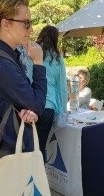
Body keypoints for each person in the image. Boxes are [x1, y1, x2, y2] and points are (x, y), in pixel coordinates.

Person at [0, 0, 47, 196]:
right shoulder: (1, 64)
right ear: (6, 24)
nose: (31, 29)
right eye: (26, 23)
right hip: (9, 147)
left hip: (8, 142)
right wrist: (39, 64)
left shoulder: (4, 57)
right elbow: (37, 103)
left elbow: (16, 101)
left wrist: (24, 109)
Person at [35, 25, 68, 155]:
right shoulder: (57, 58)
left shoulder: (30, 53)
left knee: (28, 149)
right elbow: (62, 88)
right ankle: (38, 175)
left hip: (31, 105)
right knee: (40, 149)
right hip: (48, 106)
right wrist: (63, 112)